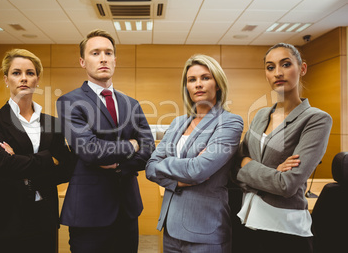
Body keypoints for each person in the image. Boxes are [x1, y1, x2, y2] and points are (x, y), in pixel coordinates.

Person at [56, 29, 155, 253]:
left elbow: (149, 149)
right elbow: (90, 150)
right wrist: (131, 145)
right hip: (89, 212)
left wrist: (119, 165)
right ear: (82, 61)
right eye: (95, 53)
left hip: (127, 210)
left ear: (115, 60)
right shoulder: (69, 101)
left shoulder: (132, 104)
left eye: (108, 53)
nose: (103, 58)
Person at [235, 43, 332, 253]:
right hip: (248, 222)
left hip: (285, 230)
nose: (278, 72)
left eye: (286, 64)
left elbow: (287, 185)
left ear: (302, 68)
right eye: (270, 67)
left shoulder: (316, 119)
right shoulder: (261, 115)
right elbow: (236, 162)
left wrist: (248, 166)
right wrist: (271, 173)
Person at [145, 54, 244, 252]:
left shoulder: (230, 122)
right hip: (170, 227)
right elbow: (150, 167)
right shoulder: (177, 123)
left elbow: (198, 170)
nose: (198, 84)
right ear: (187, 87)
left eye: (205, 78)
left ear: (217, 84)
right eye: (192, 80)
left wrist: (167, 165)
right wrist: (178, 179)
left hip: (206, 230)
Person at [0, 48, 76, 253]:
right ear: (6, 79)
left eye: (30, 73)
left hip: (44, 218)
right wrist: (49, 159)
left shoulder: (53, 123)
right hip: (6, 218)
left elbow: (68, 167)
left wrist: (20, 161)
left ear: (37, 80)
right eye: (16, 73)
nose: (23, 78)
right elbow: (2, 164)